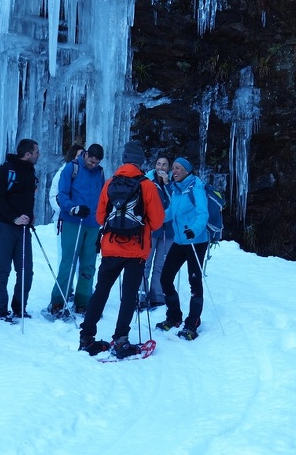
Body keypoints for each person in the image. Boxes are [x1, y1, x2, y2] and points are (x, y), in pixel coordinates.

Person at [79, 140, 164, 358]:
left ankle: (86, 336)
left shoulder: (110, 183)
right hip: (136, 250)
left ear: (124, 160)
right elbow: (157, 222)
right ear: (141, 162)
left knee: (101, 291)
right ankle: (120, 339)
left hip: (110, 247)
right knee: (128, 296)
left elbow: (99, 217)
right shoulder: (147, 185)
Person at [46, 143, 105, 318]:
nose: (93, 165)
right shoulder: (71, 168)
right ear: (86, 155)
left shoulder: (100, 172)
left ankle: (83, 301)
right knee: (68, 261)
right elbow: (62, 194)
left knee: (88, 264)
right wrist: (73, 208)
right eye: (91, 161)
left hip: (93, 224)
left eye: (97, 162)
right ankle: (58, 300)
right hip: (73, 221)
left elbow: (102, 195)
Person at [155, 156, 209, 341]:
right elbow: (171, 212)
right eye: (174, 168)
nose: (174, 171)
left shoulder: (196, 188)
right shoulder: (177, 190)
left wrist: (194, 230)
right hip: (180, 241)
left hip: (196, 241)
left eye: (178, 168)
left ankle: (193, 322)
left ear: (187, 171)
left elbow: (203, 213)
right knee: (166, 278)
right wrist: (154, 220)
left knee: (194, 281)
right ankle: (174, 316)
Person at [0, 138, 40, 323]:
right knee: (2, 270)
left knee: (26, 270)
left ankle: (19, 307)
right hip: (4, 226)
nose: (38, 155)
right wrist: (13, 218)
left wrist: (29, 216)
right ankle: (0, 310)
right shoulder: (4, 171)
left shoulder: (30, 173)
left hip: (23, 229)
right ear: (27, 154)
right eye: (36, 152)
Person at [142, 154, 174, 310]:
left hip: (168, 230)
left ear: (168, 169)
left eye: (165, 165)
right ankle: (141, 294)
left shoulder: (173, 184)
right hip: (151, 228)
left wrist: (167, 184)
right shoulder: (148, 182)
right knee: (145, 263)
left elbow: (174, 202)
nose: (161, 167)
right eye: (159, 164)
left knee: (160, 265)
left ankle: (157, 295)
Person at [48, 144, 84, 223]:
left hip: (80, 218)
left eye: (83, 155)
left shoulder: (84, 174)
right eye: (78, 156)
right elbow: (53, 196)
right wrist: (65, 212)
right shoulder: (62, 172)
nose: (82, 158)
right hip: (64, 219)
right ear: (72, 157)